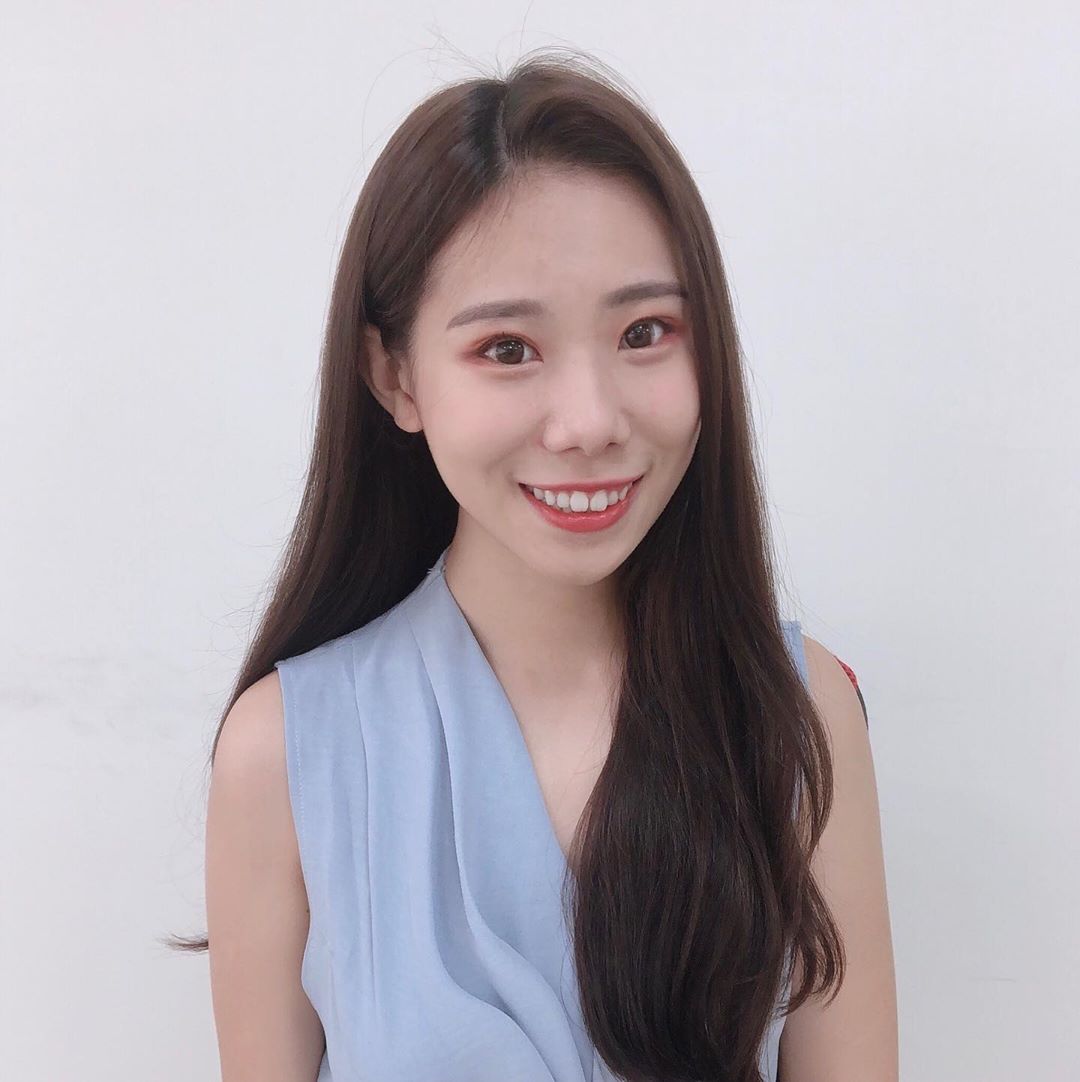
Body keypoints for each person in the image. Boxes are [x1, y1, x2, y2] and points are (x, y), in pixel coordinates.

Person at [180, 50, 897, 1082]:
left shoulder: (798, 714)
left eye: (645, 332)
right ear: (394, 376)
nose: (590, 421)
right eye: (508, 349)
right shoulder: (284, 754)